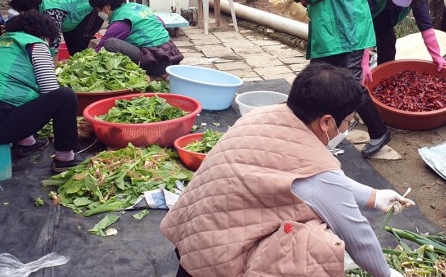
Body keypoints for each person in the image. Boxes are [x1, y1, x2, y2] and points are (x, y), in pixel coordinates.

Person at [160, 63, 414, 277]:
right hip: (219, 266)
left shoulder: (258, 117)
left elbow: (318, 184)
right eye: (349, 122)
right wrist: (387, 273)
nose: (347, 129)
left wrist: (373, 196)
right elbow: (359, 238)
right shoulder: (319, 172)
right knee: (319, 240)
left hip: (190, 243)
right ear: (327, 121)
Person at [271, 0, 392, 158]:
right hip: (332, 37)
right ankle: (307, 131)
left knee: (353, 88)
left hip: (350, 36)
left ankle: (380, 132)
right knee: (313, 83)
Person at [0, 10, 83, 173]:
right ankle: (65, 158)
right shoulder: (35, 45)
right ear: (45, 35)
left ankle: (26, 143)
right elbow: (50, 91)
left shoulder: (0, 44)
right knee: (65, 96)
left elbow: (12, 87)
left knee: (17, 90)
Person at [358, 0, 446, 70]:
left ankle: (384, 76)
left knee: (387, 44)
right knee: (353, 54)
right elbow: (361, 26)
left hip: (382, 8)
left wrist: (437, 57)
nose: (399, 3)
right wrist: (364, 63)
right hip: (354, 5)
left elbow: (426, 25)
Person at [88, 0, 183, 77]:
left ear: (107, 7)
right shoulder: (135, 7)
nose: (99, 13)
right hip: (172, 55)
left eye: (98, 9)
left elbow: (100, 50)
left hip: (156, 63)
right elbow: (161, 22)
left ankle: (155, 72)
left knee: (110, 43)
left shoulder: (120, 23)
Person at [7, 0, 103, 58]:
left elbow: (55, 40)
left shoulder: (51, 12)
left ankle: (95, 59)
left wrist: (53, 66)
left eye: (22, 12)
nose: (23, 16)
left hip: (94, 0)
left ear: (29, 8)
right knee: (72, 44)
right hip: (76, 1)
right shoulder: (42, 2)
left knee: (81, 38)